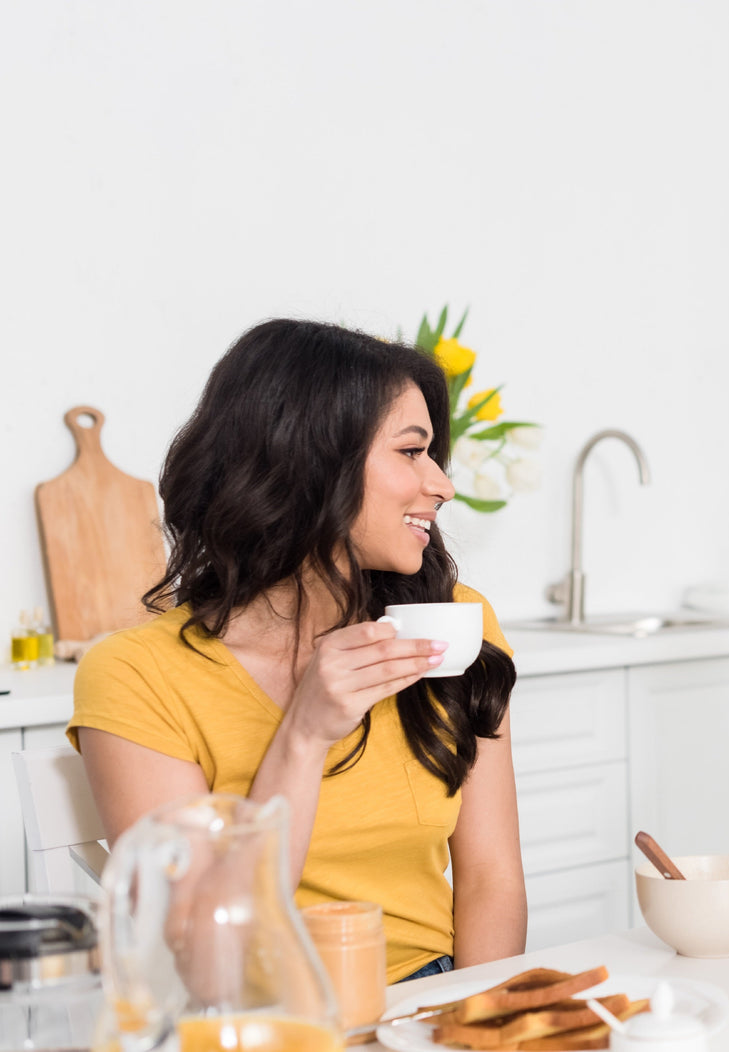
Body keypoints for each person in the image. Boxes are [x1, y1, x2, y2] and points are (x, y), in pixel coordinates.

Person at [70, 319, 527, 984]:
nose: (442, 485)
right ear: (311, 463)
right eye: (410, 452)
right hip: (263, 1016)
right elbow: (209, 957)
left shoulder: (455, 625)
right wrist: (305, 734)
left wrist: (476, 1024)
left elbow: (492, 878)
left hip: (436, 1004)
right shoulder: (137, 675)